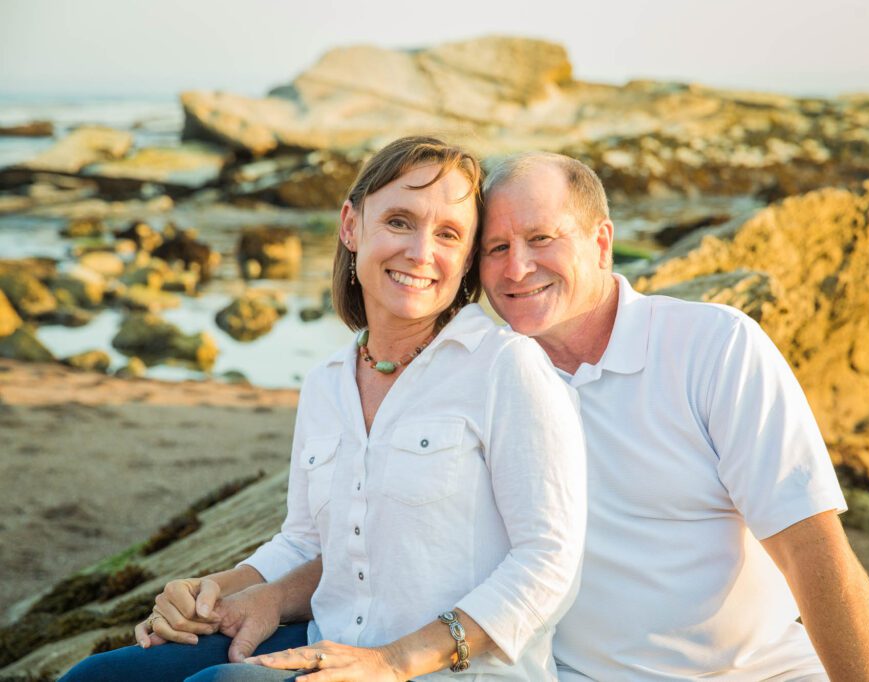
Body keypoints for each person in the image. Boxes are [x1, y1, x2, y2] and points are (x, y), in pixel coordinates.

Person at [61, 137, 587, 682]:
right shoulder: (326, 382)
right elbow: (306, 541)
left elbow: (549, 563)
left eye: (449, 234)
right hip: (328, 648)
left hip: (451, 672)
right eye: (400, 221)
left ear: (467, 259)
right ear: (350, 225)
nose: (421, 252)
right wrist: (217, 587)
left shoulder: (506, 366)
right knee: (95, 677)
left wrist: (391, 662)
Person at [477, 152, 869, 681]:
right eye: (497, 248)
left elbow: (811, 550)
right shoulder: (485, 379)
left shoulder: (713, 346)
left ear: (602, 243)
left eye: (542, 239)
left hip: (762, 671)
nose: (517, 267)